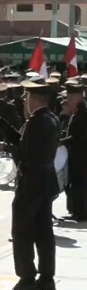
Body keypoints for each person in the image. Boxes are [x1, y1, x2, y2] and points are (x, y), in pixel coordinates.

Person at [0, 81, 60, 290]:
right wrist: (8, 130)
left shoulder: (34, 122)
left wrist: (9, 146)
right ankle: (47, 278)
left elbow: (25, 154)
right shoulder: (51, 118)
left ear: (33, 99)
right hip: (46, 182)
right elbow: (29, 144)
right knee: (44, 233)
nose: (25, 102)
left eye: (26, 98)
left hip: (30, 183)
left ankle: (26, 278)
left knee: (22, 232)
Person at [62, 81, 87, 221]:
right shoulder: (78, 112)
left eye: (70, 98)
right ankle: (77, 211)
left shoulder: (83, 114)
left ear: (78, 98)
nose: (68, 101)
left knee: (80, 184)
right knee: (77, 184)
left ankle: (80, 212)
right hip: (77, 156)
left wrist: (62, 142)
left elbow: (78, 137)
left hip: (81, 157)